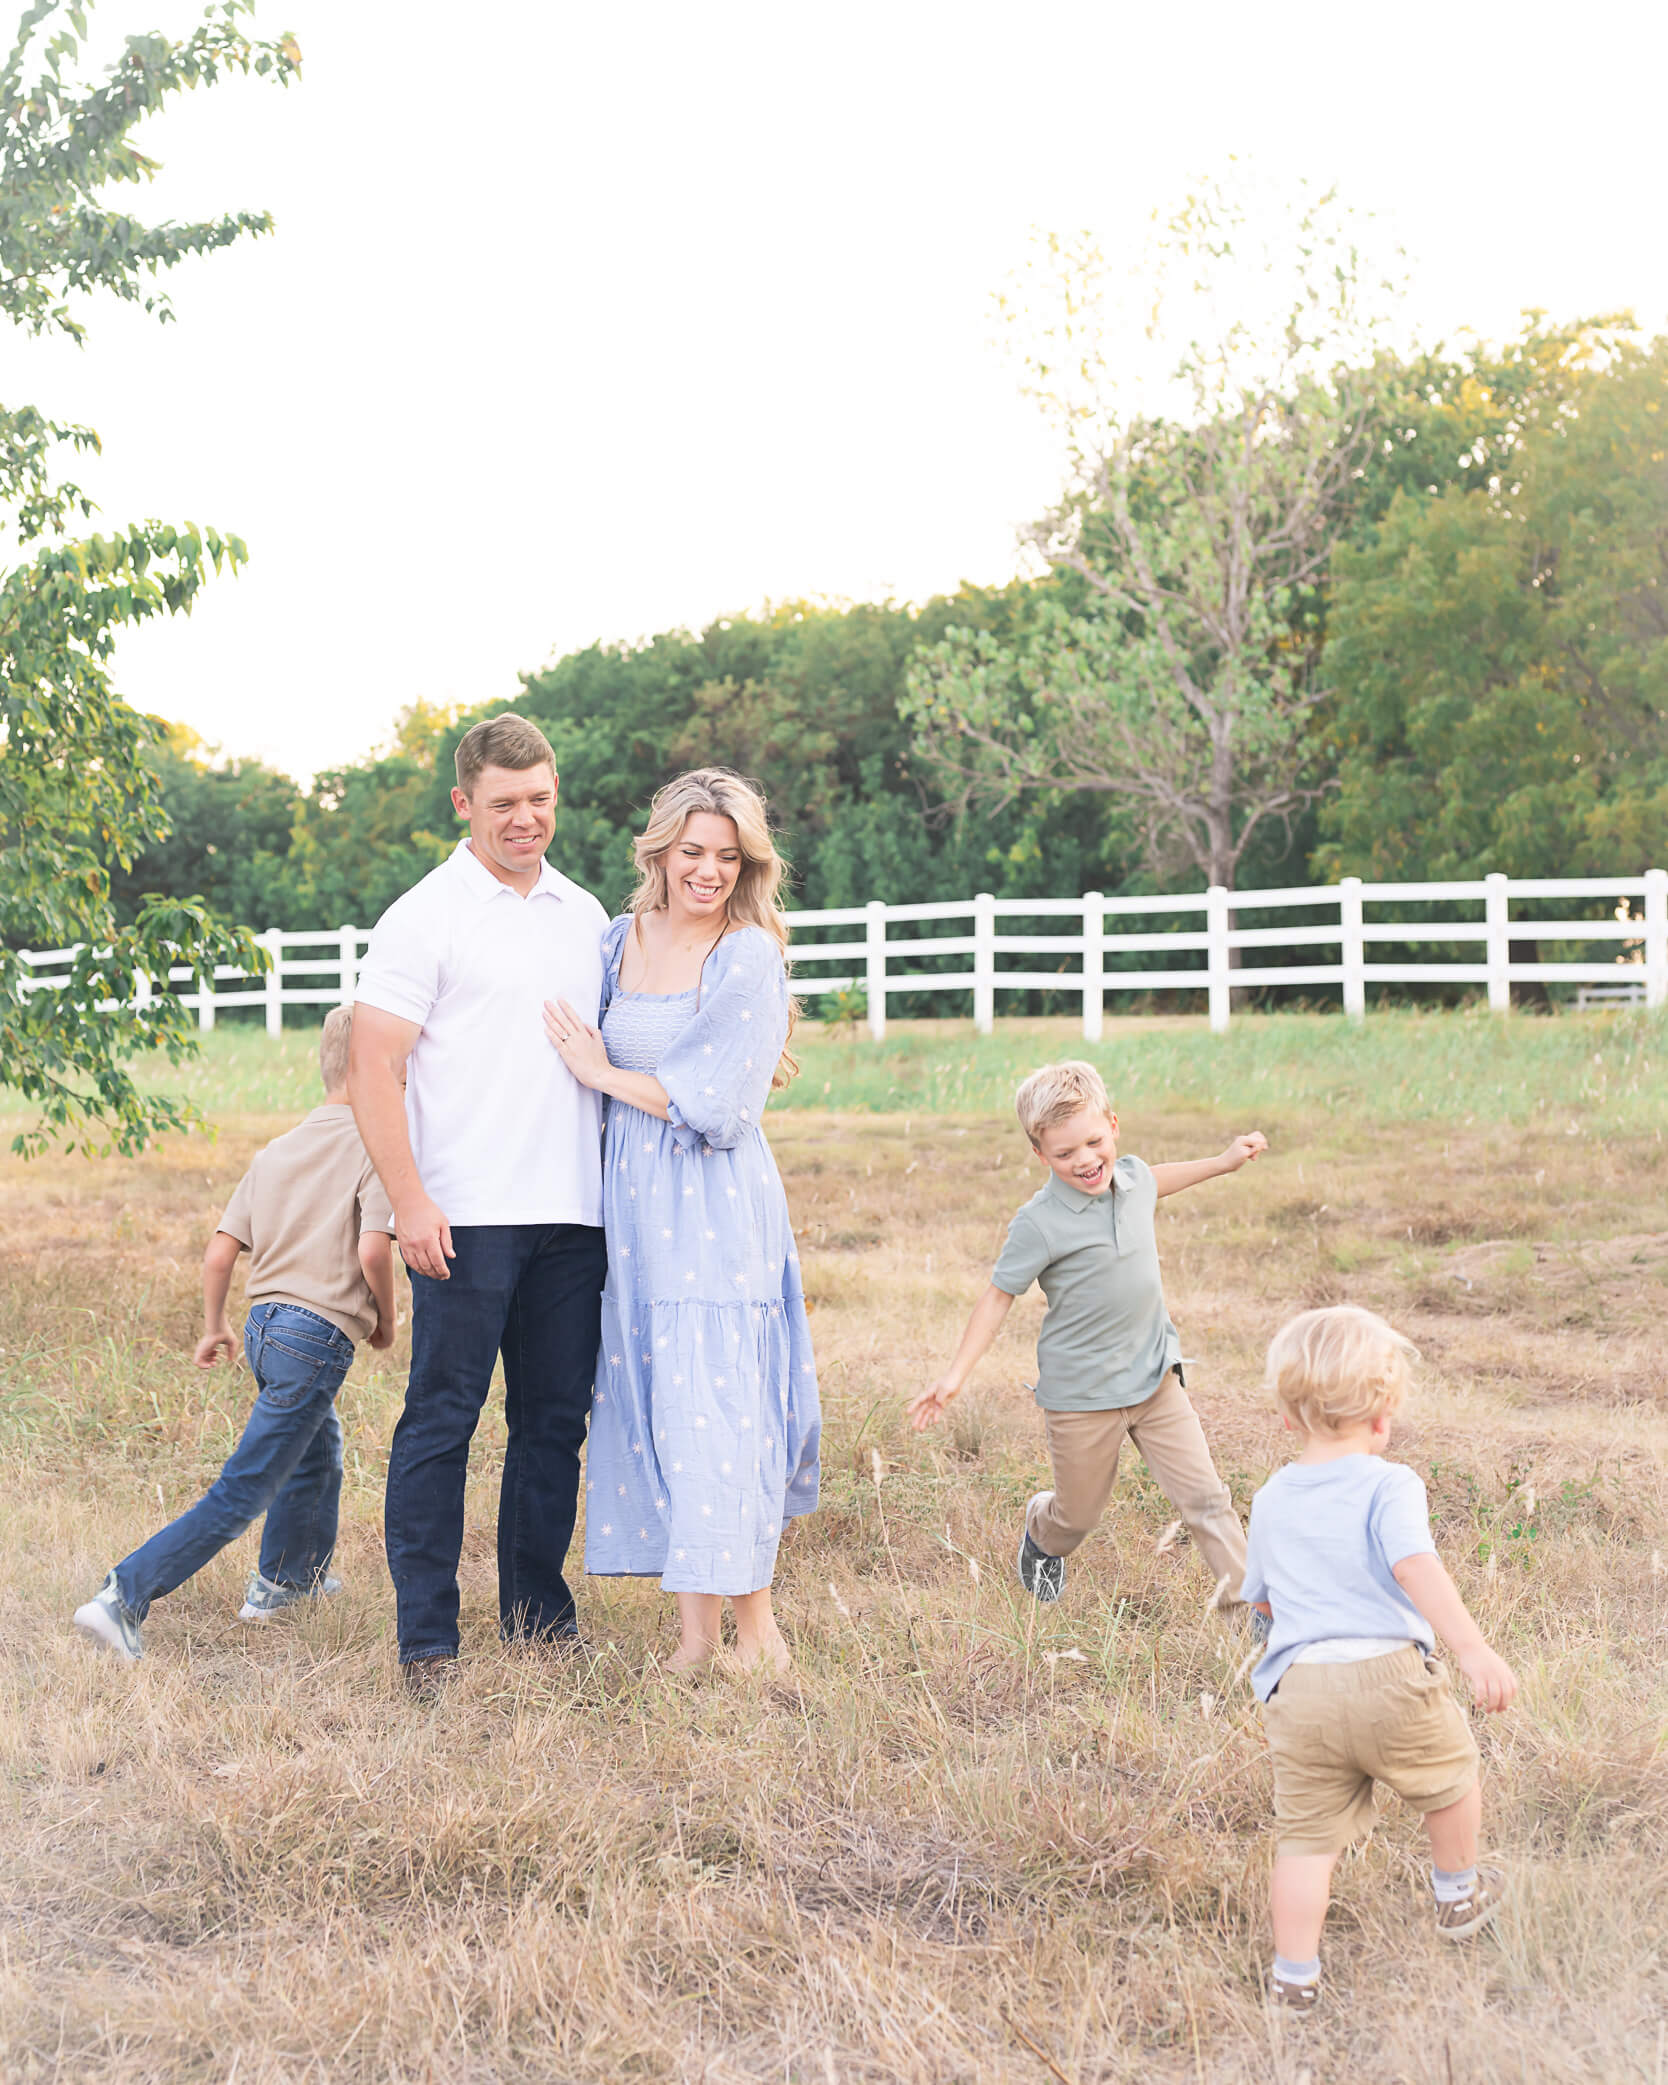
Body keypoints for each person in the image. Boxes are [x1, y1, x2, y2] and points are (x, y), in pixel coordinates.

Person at [349, 712, 609, 1692]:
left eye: (540, 800)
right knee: (442, 1421)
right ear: (464, 804)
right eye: (504, 804)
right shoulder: (426, 915)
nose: (525, 820)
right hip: (460, 1216)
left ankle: (539, 1620)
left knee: (552, 1424)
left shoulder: (584, 915)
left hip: (573, 1218)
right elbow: (376, 1067)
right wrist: (408, 1201)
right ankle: (427, 1641)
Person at [542, 767, 819, 1672]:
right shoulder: (620, 938)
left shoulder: (746, 954)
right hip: (631, 1209)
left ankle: (758, 1635)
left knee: (718, 1407)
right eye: (692, 852)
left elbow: (724, 1104)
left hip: (713, 1205)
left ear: (748, 863)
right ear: (659, 850)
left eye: (727, 856)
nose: (708, 871)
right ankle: (696, 1639)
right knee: (663, 1404)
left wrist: (604, 1075)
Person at [72, 1005, 396, 1660]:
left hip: (263, 1327)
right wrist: (388, 1319)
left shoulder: (278, 1149)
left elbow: (221, 1251)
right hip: (315, 1335)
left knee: (318, 1448)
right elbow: (373, 1251)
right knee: (244, 1488)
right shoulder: (375, 1145)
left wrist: (214, 1324)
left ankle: (284, 1582)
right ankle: (123, 1595)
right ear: (379, 1070)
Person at [906, 1060, 1268, 1619]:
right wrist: (954, 1376)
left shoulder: (1133, 1179)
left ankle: (1254, 1615)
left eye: (1094, 1143)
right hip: (1082, 1399)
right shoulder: (1039, 1221)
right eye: (1065, 1153)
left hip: (1154, 1379)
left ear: (1113, 1127)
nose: (1085, 1161)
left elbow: (1158, 1178)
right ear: (1040, 1155)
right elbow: (999, 1294)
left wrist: (1224, 1162)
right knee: (1076, 1516)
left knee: (1207, 1500)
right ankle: (1041, 1534)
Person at [1242, 1304, 1517, 2011]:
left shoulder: (1271, 1497)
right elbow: (1414, 1566)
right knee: (1451, 1778)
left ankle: (1292, 1978)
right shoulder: (1390, 1483)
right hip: (1389, 1678)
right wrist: (1473, 1647)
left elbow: (1263, 1603)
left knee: (1304, 1840)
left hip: (1299, 1692)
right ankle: (1457, 1892)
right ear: (1383, 1413)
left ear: (1286, 1416)